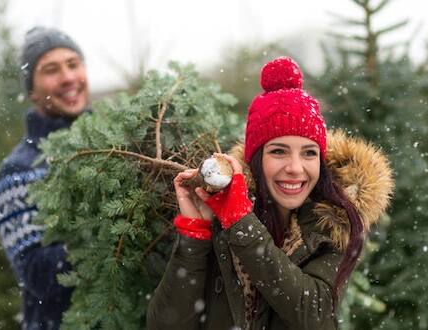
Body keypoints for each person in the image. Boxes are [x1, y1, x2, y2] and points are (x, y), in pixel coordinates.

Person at [147, 57, 393, 330]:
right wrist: (195, 234)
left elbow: (315, 317)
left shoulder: (334, 225)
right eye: (278, 151)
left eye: (309, 153)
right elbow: (165, 325)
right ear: (256, 160)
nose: (295, 168)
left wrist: (241, 223)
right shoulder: (222, 214)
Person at [0, 26, 89, 330]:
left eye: (73, 64)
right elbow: (39, 275)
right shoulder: (18, 172)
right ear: (32, 90)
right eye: (51, 70)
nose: (68, 78)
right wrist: (102, 232)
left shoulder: (124, 148)